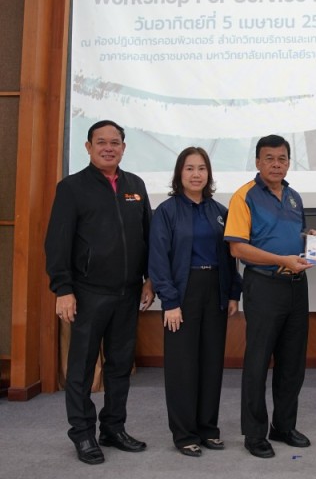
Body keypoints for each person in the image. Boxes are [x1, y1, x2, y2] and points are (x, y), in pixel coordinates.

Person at [45, 120, 154, 465]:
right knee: (81, 368)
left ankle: (113, 428)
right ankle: (82, 434)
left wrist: (149, 279)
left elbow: (148, 236)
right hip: (88, 293)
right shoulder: (72, 187)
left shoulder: (135, 185)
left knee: (120, 366)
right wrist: (63, 289)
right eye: (101, 142)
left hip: (128, 293)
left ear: (123, 147)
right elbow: (57, 242)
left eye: (115, 142)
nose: (109, 148)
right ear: (88, 147)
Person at [148, 147, 242, 457]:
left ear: (209, 174)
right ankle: (184, 433)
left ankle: (208, 429)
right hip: (182, 293)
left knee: (211, 364)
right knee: (182, 366)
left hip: (215, 291)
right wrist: (170, 301)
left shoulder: (220, 211)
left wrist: (233, 293)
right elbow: (158, 259)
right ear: (179, 173)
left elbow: (230, 256)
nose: (196, 174)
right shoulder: (167, 211)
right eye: (189, 168)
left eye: (202, 168)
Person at [224, 134, 313, 458]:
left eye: (282, 159)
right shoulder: (244, 196)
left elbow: (293, 235)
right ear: (258, 162)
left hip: (296, 286)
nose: (276, 164)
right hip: (263, 285)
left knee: (292, 362)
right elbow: (237, 248)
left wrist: (314, 240)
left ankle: (284, 426)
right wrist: (281, 260)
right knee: (258, 362)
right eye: (269, 159)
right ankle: (254, 433)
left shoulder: (293, 196)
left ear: (289, 162)